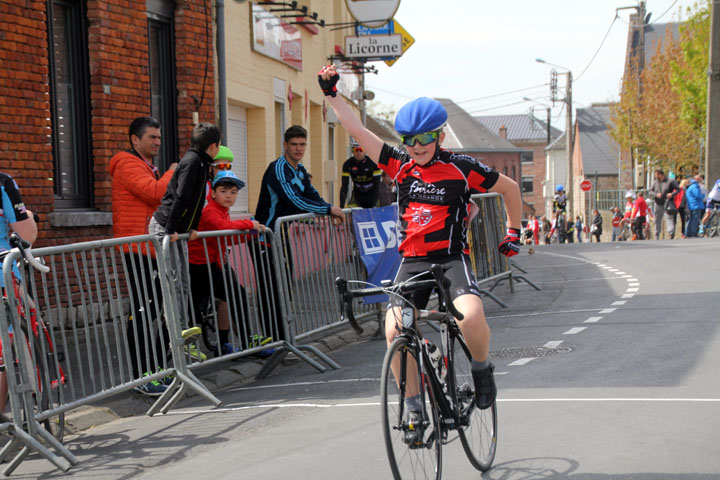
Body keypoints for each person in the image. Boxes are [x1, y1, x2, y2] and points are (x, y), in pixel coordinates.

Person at [319, 65, 523, 423]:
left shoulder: (461, 167)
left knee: (471, 317)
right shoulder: (399, 166)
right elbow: (357, 129)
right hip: (412, 262)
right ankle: (414, 405)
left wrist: (514, 230)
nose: (414, 148)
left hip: (450, 260)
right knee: (394, 328)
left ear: (439, 138)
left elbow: (509, 188)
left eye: (423, 139)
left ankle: (481, 369)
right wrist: (332, 94)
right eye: (407, 140)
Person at [254, 125, 345, 343]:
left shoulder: (300, 170)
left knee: (286, 290)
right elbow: (293, 200)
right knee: (272, 293)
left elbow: (312, 195)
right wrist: (328, 210)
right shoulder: (277, 168)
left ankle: (284, 339)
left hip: (281, 238)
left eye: (302, 144)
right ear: (285, 145)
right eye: (293, 144)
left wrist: (328, 208)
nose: (298, 148)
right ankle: (272, 341)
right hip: (264, 238)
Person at [109, 116, 176, 395]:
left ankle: (156, 369)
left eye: (159, 137)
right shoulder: (127, 163)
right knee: (142, 309)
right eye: (152, 137)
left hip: (150, 246)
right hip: (137, 247)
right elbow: (154, 194)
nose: (158, 142)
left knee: (157, 308)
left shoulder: (146, 165)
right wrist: (173, 172)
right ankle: (141, 376)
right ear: (135, 139)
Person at [149, 122, 220, 349]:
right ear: (213, 146)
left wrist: (191, 228)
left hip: (179, 230)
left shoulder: (201, 162)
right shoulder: (192, 163)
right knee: (174, 281)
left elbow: (197, 202)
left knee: (184, 282)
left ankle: (181, 328)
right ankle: (175, 332)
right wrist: (170, 231)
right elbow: (181, 198)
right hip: (166, 227)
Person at [188, 170, 265, 356]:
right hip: (198, 266)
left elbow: (222, 238)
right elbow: (221, 228)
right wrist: (249, 224)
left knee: (235, 294)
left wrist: (247, 236)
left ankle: (244, 342)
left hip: (212, 264)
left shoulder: (223, 211)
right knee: (191, 309)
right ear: (213, 193)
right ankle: (173, 349)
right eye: (223, 191)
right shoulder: (210, 211)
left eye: (233, 192)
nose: (229, 196)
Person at [0, 172, 38, 411]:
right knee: (3, 349)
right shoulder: (4, 183)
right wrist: (29, 218)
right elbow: (26, 235)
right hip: (2, 273)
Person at [339, 141, 381, 208]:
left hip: (372, 196)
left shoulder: (373, 163)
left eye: (361, 149)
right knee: (349, 213)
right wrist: (341, 206)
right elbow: (344, 186)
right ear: (352, 152)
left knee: (372, 215)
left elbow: (377, 186)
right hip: (357, 197)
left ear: (365, 151)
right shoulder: (348, 164)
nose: (358, 152)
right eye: (355, 150)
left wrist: (373, 205)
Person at [648, 169, 679, 240]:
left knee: (669, 217)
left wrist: (672, 194)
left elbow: (678, 189)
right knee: (657, 219)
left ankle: (671, 233)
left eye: (656, 175)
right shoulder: (655, 182)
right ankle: (657, 234)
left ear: (660, 175)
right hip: (658, 203)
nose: (656, 177)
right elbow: (650, 191)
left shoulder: (670, 181)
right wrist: (656, 194)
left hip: (668, 203)